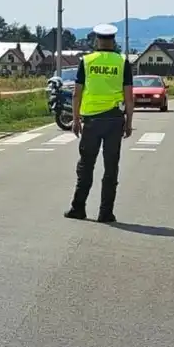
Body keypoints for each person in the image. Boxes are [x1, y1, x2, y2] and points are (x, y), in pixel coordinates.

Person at [65, 24, 133, 223]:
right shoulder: (122, 62)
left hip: (92, 122)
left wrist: (75, 119)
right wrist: (129, 122)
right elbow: (129, 96)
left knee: (86, 166)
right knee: (111, 167)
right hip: (114, 120)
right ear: (113, 40)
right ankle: (105, 212)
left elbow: (77, 92)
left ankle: (78, 208)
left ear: (97, 40)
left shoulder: (86, 61)